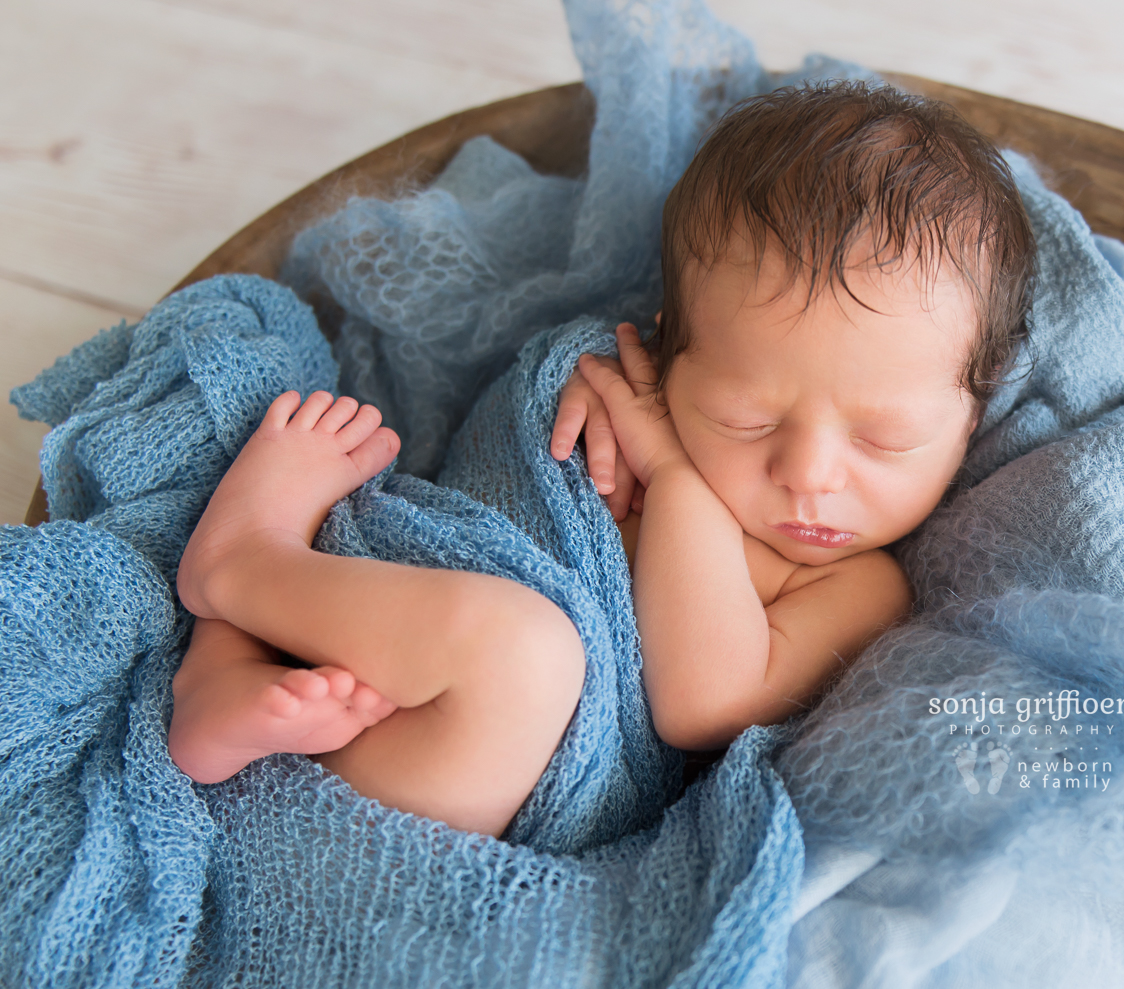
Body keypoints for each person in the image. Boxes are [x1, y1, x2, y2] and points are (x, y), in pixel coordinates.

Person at [167, 81, 1036, 838]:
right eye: (743, 416)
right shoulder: (632, 394)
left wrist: (683, 480)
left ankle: (245, 565)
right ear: (668, 355)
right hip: (389, 621)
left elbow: (703, 703)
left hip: (454, 769)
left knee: (527, 654)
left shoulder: (856, 586)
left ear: (973, 417)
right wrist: (576, 383)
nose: (808, 473)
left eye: (882, 439)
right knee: (462, 609)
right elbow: (509, 459)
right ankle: (228, 662)